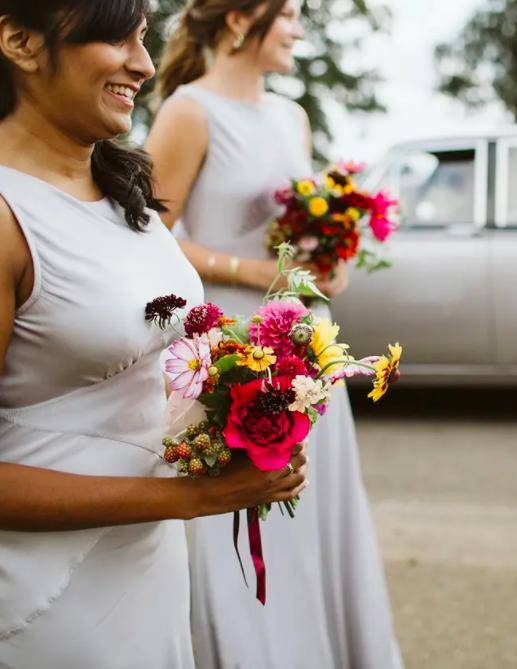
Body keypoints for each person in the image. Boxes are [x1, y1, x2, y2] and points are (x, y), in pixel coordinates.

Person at [0, 1, 306, 667]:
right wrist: (191, 497)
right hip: (44, 600)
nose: (142, 63)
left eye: (143, 38)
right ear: (20, 42)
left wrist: (245, 400)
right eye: (117, 38)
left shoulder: (122, 187)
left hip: (146, 564)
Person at [145, 1, 402, 667]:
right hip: (231, 345)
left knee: (315, 514)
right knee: (246, 512)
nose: (296, 27)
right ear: (237, 21)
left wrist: (329, 259)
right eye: (285, 13)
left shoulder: (293, 114)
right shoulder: (187, 111)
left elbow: (299, 223)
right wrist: (247, 269)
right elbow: (148, 236)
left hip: (308, 342)